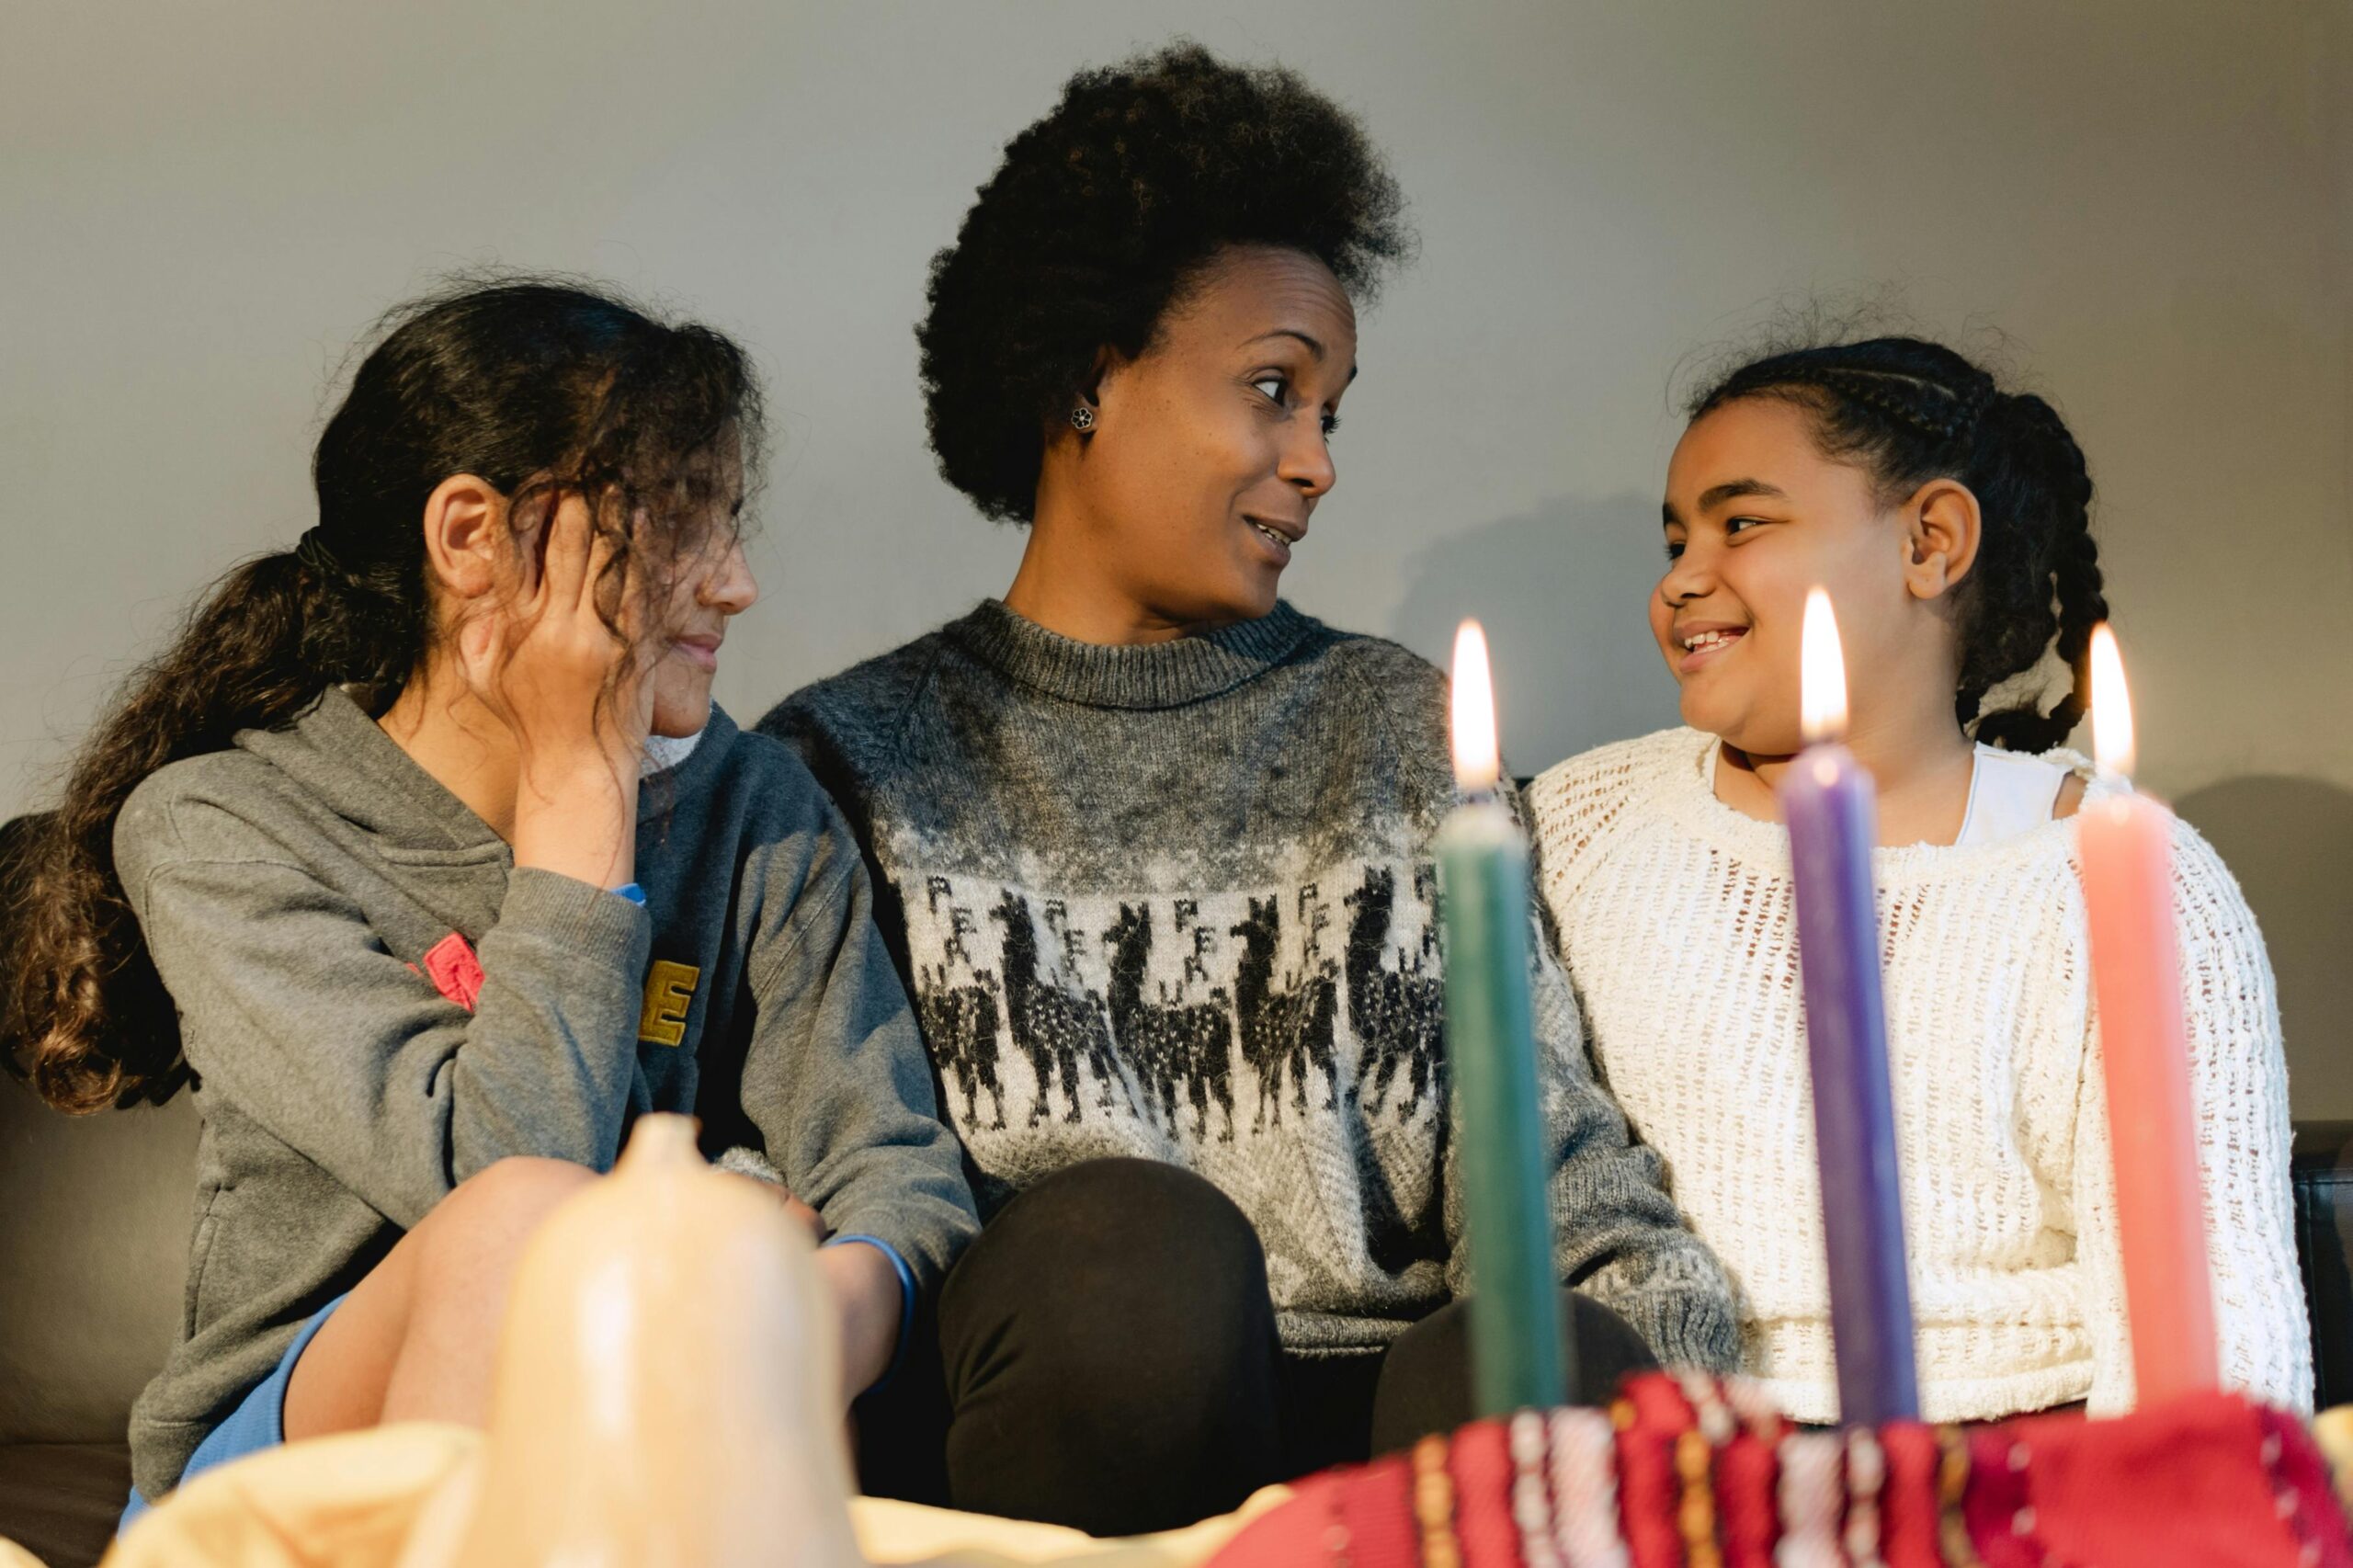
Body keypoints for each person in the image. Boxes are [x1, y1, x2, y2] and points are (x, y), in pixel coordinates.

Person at [764, 45, 1736, 1534]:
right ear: (1086, 378)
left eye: (1330, 412)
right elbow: (794, 1184)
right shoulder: (846, 764)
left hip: (1379, 1443)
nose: (1317, 462)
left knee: (1534, 1349)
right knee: (1134, 1262)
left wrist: (1672, 1390)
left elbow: (1544, 1154)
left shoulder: (1398, 730)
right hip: (1045, 1432)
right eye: (1275, 390)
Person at [9, 278, 977, 1519]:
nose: (735, 583)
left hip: (645, 1438)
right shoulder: (220, 828)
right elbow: (504, 1180)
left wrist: (795, 1321)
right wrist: (579, 786)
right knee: (523, 1218)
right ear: (471, 536)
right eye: (680, 519)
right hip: (280, 1479)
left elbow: (894, 1169)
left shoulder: (756, 808)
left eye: (730, 521)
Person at [1526, 335, 2310, 1422]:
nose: (1680, 579)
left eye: (1739, 523)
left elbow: (2213, 1312)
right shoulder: (1577, 828)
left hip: (2013, 1448)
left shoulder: (2117, 874)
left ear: (1929, 541)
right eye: (1674, 540)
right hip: (1675, 1449)